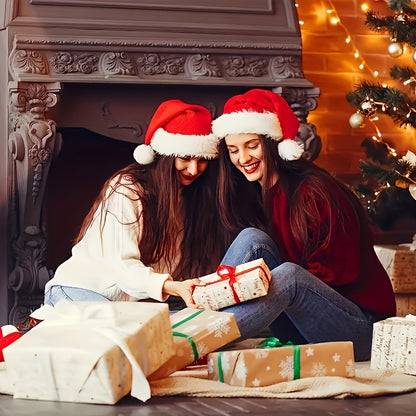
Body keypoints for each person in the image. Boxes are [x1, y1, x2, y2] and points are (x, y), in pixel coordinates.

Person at [212, 88, 396, 361]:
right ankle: (200, 318)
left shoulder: (315, 191)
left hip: (360, 328)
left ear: (272, 141)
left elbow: (332, 274)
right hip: (302, 320)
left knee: (289, 276)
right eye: (233, 150)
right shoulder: (255, 192)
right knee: (252, 238)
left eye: (252, 145)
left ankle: (202, 339)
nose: (243, 158)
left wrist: (266, 292)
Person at [44, 99, 224, 309]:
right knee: (122, 333)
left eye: (202, 160)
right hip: (79, 290)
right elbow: (123, 268)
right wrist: (173, 287)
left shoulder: (191, 200)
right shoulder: (128, 188)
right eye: (185, 158)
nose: (194, 170)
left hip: (132, 307)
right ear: (166, 156)